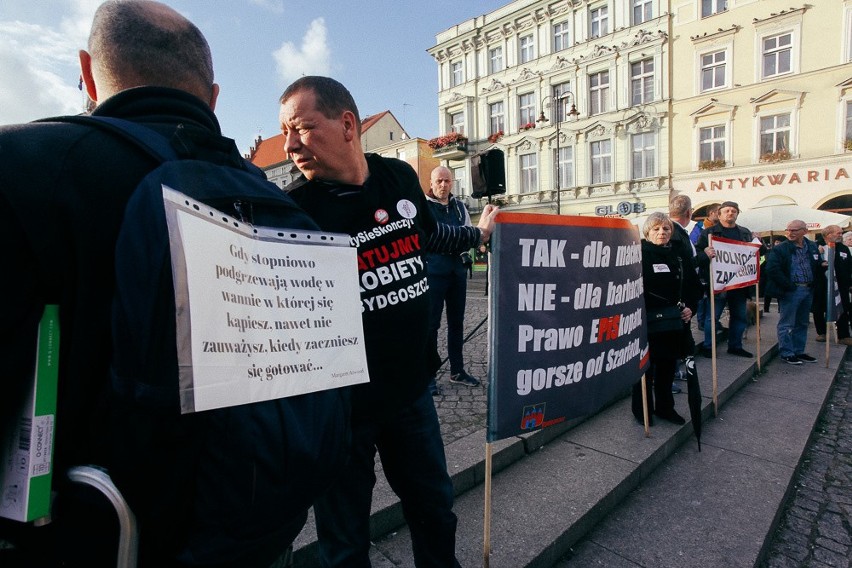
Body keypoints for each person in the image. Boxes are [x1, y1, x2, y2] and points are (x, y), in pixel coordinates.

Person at [0, 2, 346, 566]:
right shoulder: (277, 201)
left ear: (87, 73)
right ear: (212, 98)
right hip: (255, 531)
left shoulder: (23, 169)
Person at [279, 76, 499, 567]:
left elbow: (427, 235)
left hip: (410, 392)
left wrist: (475, 237)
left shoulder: (397, 180)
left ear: (348, 125)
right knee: (343, 543)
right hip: (342, 410)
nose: (291, 144)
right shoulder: (294, 210)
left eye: (302, 128)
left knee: (435, 511)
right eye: (286, 133)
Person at [633, 213, 702, 425]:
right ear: (647, 232)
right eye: (656, 229)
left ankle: (665, 408)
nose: (661, 233)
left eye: (665, 229)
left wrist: (690, 307)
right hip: (646, 322)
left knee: (667, 367)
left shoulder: (678, 255)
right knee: (644, 370)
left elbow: (693, 286)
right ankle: (642, 411)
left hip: (673, 323)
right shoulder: (637, 255)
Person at [425, 166, 481, 397]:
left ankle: (457, 370)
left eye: (447, 181)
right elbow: (430, 237)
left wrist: (465, 242)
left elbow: (468, 234)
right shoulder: (423, 205)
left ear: (453, 182)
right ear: (431, 181)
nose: (443, 185)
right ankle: (427, 376)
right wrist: (456, 239)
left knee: (457, 323)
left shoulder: (459, 207)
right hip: (433, 271)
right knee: (431, 325)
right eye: (439, 181)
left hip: (457, 271)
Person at [695, 201, 761, 359]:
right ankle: (708, 346)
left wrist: (759, 242)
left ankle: (735, 345)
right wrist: (705, 253)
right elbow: (697, 256)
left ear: (737, 214)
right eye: (727, 211)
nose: (730, 213)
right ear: (719, 214)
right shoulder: (709, 233)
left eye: (733, 211)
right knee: (713, 317)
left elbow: (757, 254)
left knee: (739, 316)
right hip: (718, 283)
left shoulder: (745, 233)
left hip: (739, 284)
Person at [764, 220, 823, 364]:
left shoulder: (812, 246)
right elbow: (772, 269)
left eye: (795, 230)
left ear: (804, 231)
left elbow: (816, 263)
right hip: (792, 289)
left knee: (802, 322)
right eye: (788, 230)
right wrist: (788, 286)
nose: (790, 233)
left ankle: (799, 351)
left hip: (808, 288)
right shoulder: (780, 249)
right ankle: (787, 352)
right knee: (787, 323)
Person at [812, 225, 852, 345]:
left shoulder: (843, 248)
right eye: (838, 233)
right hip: (821, 284)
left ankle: (844, 335)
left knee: (843, 307)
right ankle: (822, 332)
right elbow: (811, 264)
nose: (840, 235)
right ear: (828, 234)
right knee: (818, 308)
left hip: (840, 284)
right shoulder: (815, 247)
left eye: (841, 233)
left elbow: (850, 266)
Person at [693, 203, 721, 331]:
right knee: (703, 298)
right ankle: (701, 321)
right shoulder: (699, 229)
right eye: (718, 212)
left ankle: (711, 321)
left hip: (717, 271)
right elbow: (695, 248)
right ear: (711, 213)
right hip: (703, 269)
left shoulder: (719, 229)